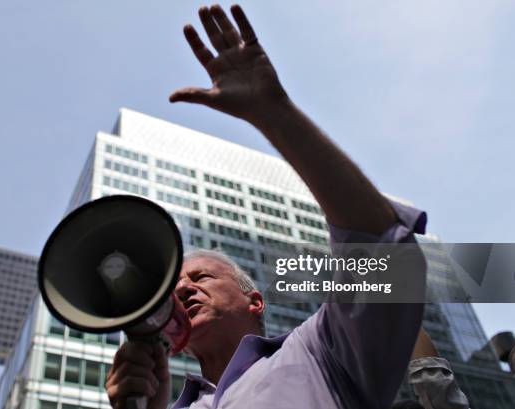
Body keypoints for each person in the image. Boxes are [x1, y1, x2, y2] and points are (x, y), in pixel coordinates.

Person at [105, 4, 428, 409]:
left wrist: (273, 113)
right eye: (173, 289)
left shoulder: (320, 350)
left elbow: (384, 256)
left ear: (255, 301)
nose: (182, 288)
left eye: (201, 277)